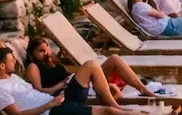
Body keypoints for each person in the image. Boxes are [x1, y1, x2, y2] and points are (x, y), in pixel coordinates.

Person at [0, 46, 156, 115]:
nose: (14, 61)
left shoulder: (12, 77)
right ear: (1, 66)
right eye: (10, 60)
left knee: (91, 65)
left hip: (57, 100)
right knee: (107, 112)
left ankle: (116, 104)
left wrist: (53, 98)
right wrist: (49, 104)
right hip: (51, 112)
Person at [21, 37, 161, 107]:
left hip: (74, 82)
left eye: (47, 49)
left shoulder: (51, 60)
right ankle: (116, 110)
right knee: (110, 86)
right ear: (32, 53)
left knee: (114, 59)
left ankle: (142, 89)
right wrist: (60, 86)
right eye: (41, 51)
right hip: (66, 91)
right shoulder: (33, 67)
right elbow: (39, 91)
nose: (46, 53)